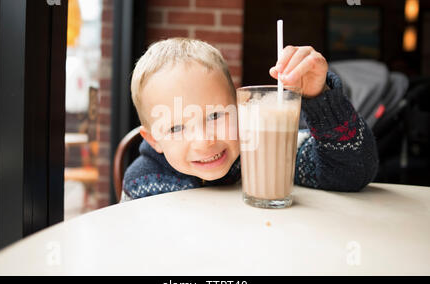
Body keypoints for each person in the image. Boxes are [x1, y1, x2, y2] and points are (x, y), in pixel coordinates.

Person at [120, 38, 378, 202]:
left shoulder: (265, 154)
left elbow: (350, 171)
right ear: (154, 140)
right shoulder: (141, 183)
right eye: (176, 127)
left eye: (215, 115)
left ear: (240, 110)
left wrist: (319, 97)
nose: (204, 140)